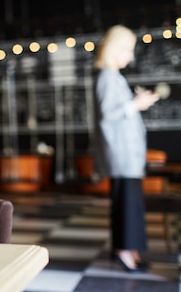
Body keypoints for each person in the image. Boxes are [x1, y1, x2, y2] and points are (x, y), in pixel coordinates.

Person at [91, 25, 159, 272]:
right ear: (115, 49)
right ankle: (124, 252)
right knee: (127, 204)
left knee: (130, 204)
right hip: (122, 156)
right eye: (128, 50)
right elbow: (108, 115)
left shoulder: (113, 76)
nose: (131, 57)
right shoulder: (107, 76)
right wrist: (135, 104)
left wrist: (134, 102)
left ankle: (129, 251)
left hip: (127, 156)